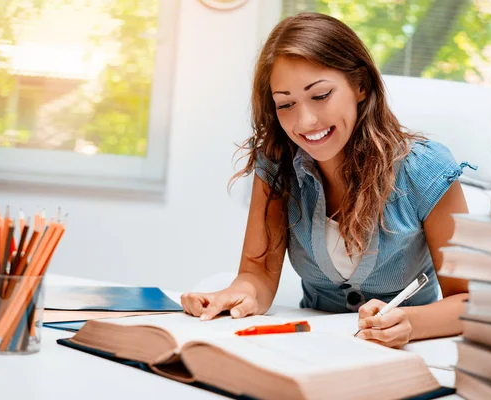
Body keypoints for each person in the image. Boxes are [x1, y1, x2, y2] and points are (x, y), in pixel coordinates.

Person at [181, 12, 474, 348]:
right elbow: (257, 275)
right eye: (286, 103)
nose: (304, 121)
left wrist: (409, 322)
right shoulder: (277, 165)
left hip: (412, 352)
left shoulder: (427, 169)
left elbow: (469, 301)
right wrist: (232, 296)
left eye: (320, 96)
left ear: (360, 85)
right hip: (313, 349)